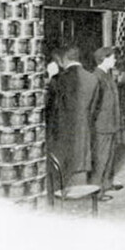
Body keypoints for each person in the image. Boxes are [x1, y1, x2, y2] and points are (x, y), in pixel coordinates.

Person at [45, 45, 100, 186]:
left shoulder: (59, 79)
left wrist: (51, 77)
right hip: (83, 126)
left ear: (64, 59)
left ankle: (62, 190)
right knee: (81, 158)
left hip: (63, 127)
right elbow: (93, 107)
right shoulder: (92, 78)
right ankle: (81, 188)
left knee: (63, 160)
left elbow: (51, 105)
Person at [90, 46, 124, 199]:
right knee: (101, 157)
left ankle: (107, 183)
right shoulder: (96, 77)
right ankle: (97, 191)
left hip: (111, 122)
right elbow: (93, 104)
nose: (115, 60)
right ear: (104, 59)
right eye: (112, 57)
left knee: (110, 155)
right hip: (102, 124)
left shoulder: (107, 75)